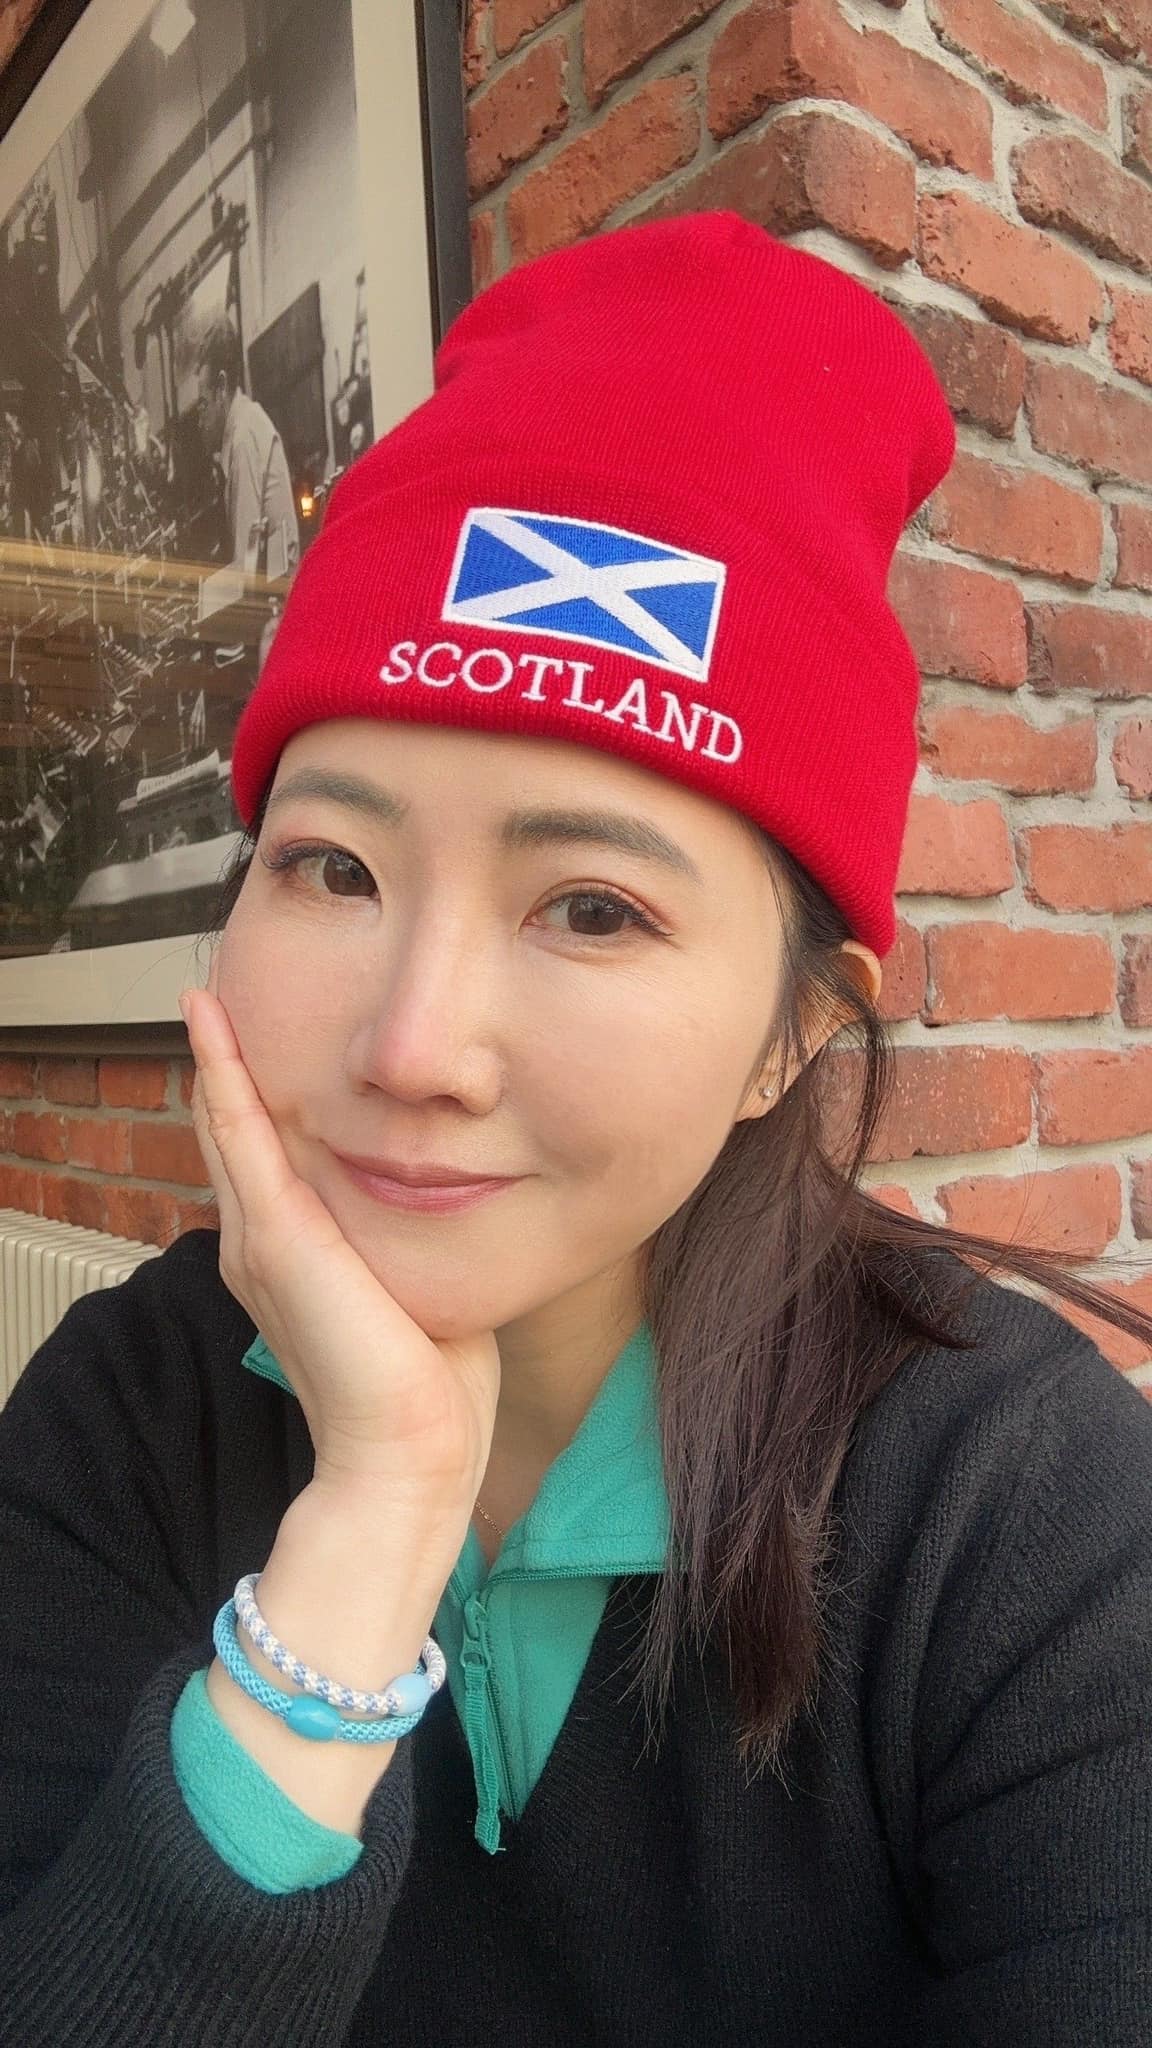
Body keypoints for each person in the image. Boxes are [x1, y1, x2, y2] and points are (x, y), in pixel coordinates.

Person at [2, 211, 1151, 2044]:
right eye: (334, 867)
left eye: (594, 908)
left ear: (790, 1035)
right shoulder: (126, 1414)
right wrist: (367, 1527)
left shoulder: (1027, 1514)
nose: (413, 1045)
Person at [195, 318, 300, 576]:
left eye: (203, 405)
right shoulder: (248, 420)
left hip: (279, 592)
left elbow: (245, 565)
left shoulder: (242, 440)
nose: (200, 422)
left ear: (221, 388)